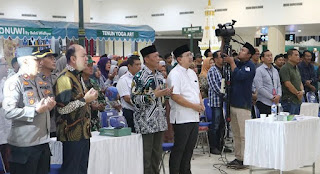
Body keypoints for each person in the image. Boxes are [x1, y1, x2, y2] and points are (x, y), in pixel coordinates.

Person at [3, 48, 56, 174]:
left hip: (43, 142)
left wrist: (49, 107)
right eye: (36, 60)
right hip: (24, 146)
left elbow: (43, 107)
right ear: (26, 61)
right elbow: (9, 112)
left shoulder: (40, 81)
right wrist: (35, 110)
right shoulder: (14, 82)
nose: (40, 63)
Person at [54, 44, 98, 174]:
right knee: (72, 170)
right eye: (83, 56)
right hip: (71, 134)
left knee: (82, 169)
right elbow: (62, 109)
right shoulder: (65, 78)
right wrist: (85, 100)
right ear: (73, 59)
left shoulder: (77, 77)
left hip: (83, 132)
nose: (87, 59)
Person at [131, 45, 172, 174]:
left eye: (158, 56)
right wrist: (154, 95)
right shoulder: (139, 77)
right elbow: (134, 100)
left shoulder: (159, 76)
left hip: (159, 122)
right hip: (145, 124)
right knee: (146, 158)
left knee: (157, 157)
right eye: (155, 57)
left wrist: (167, 93)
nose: (158, 59)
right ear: (147, 59)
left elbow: (161, 98)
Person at [167, 45, 204, 174]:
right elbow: (176, 97)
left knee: (189, 149)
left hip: (194, 116)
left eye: (191, 54)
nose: (191, 57)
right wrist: (194, 106)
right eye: (187, 55)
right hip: (182, 118)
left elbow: (197, 91)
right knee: (179, 149)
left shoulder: (192, 72)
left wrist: (201, 103)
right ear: (179, 59)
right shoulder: (175, 74)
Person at [223, 42, 256, 169]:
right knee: (236, 134)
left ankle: (246, 159)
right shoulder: (238, 64)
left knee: (244, 135)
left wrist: (232, 62)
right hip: (233, 103)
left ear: (249, 55)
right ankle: (238, 157)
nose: (240, 52)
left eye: (243, 50)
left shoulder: (250, 66)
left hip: (243, 105)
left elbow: (239, 76)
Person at [33, 49, 59, 137]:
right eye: (50, 58)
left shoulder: (57, 78)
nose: (54, 60)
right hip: (42, 125)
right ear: (41, 61)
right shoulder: (35, 80)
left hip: (58, 123)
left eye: (54, 58)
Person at [116, 55, 141, 132]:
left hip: (140, 113)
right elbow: (127, 98)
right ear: (129, 66)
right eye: (137, 65)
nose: (139, 67)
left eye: (140, 64)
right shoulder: (124, 80)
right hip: (130, 112)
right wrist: (140, 105)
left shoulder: (140, 78)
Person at [207, 51, 225, 155]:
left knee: (223, 125)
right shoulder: (212, 70)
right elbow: (214, 86)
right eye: (221, 57)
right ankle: (213, 147)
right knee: (215, 125)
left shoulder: (224, 70)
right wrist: (224, 95)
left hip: (224, 103)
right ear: (215, 59)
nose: (223, 58)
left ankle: (220, 145)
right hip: (216, 102)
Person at [82, 57, 106, 131]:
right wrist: (90, 105)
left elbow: (102, 99)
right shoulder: (77, 83)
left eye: (92, 65)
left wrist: (100, 106)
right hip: (82, 124)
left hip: (94, 123)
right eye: (88, 65)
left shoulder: (93, 83)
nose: (91, 68)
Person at [254, 50, 281, 114]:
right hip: (264, 102)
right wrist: (271, 97)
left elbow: (279, 85)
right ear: (262, 58)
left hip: (275, 102)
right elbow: (260, 87)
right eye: (268, 56)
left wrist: (279, 95)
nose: (270, 57)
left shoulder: (275, 70)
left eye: (271, 55)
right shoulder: (259, 70)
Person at [280, 49, 304, 115]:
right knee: (290, 121)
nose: (298, 57)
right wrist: (297, 93)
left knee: (296, 122)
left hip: (298, 100)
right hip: (289, 100)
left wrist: (302, 91)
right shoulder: (285, 68)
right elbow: (287, 83)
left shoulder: (296, 68)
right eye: (296, 55)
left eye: (298, 55)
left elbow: (299, 81)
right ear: (289, 57)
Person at [0, 58, 10, 173]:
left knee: (7, 157)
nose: (7, 68)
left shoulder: (6, 82)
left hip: (7, 127)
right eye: (4, 65)